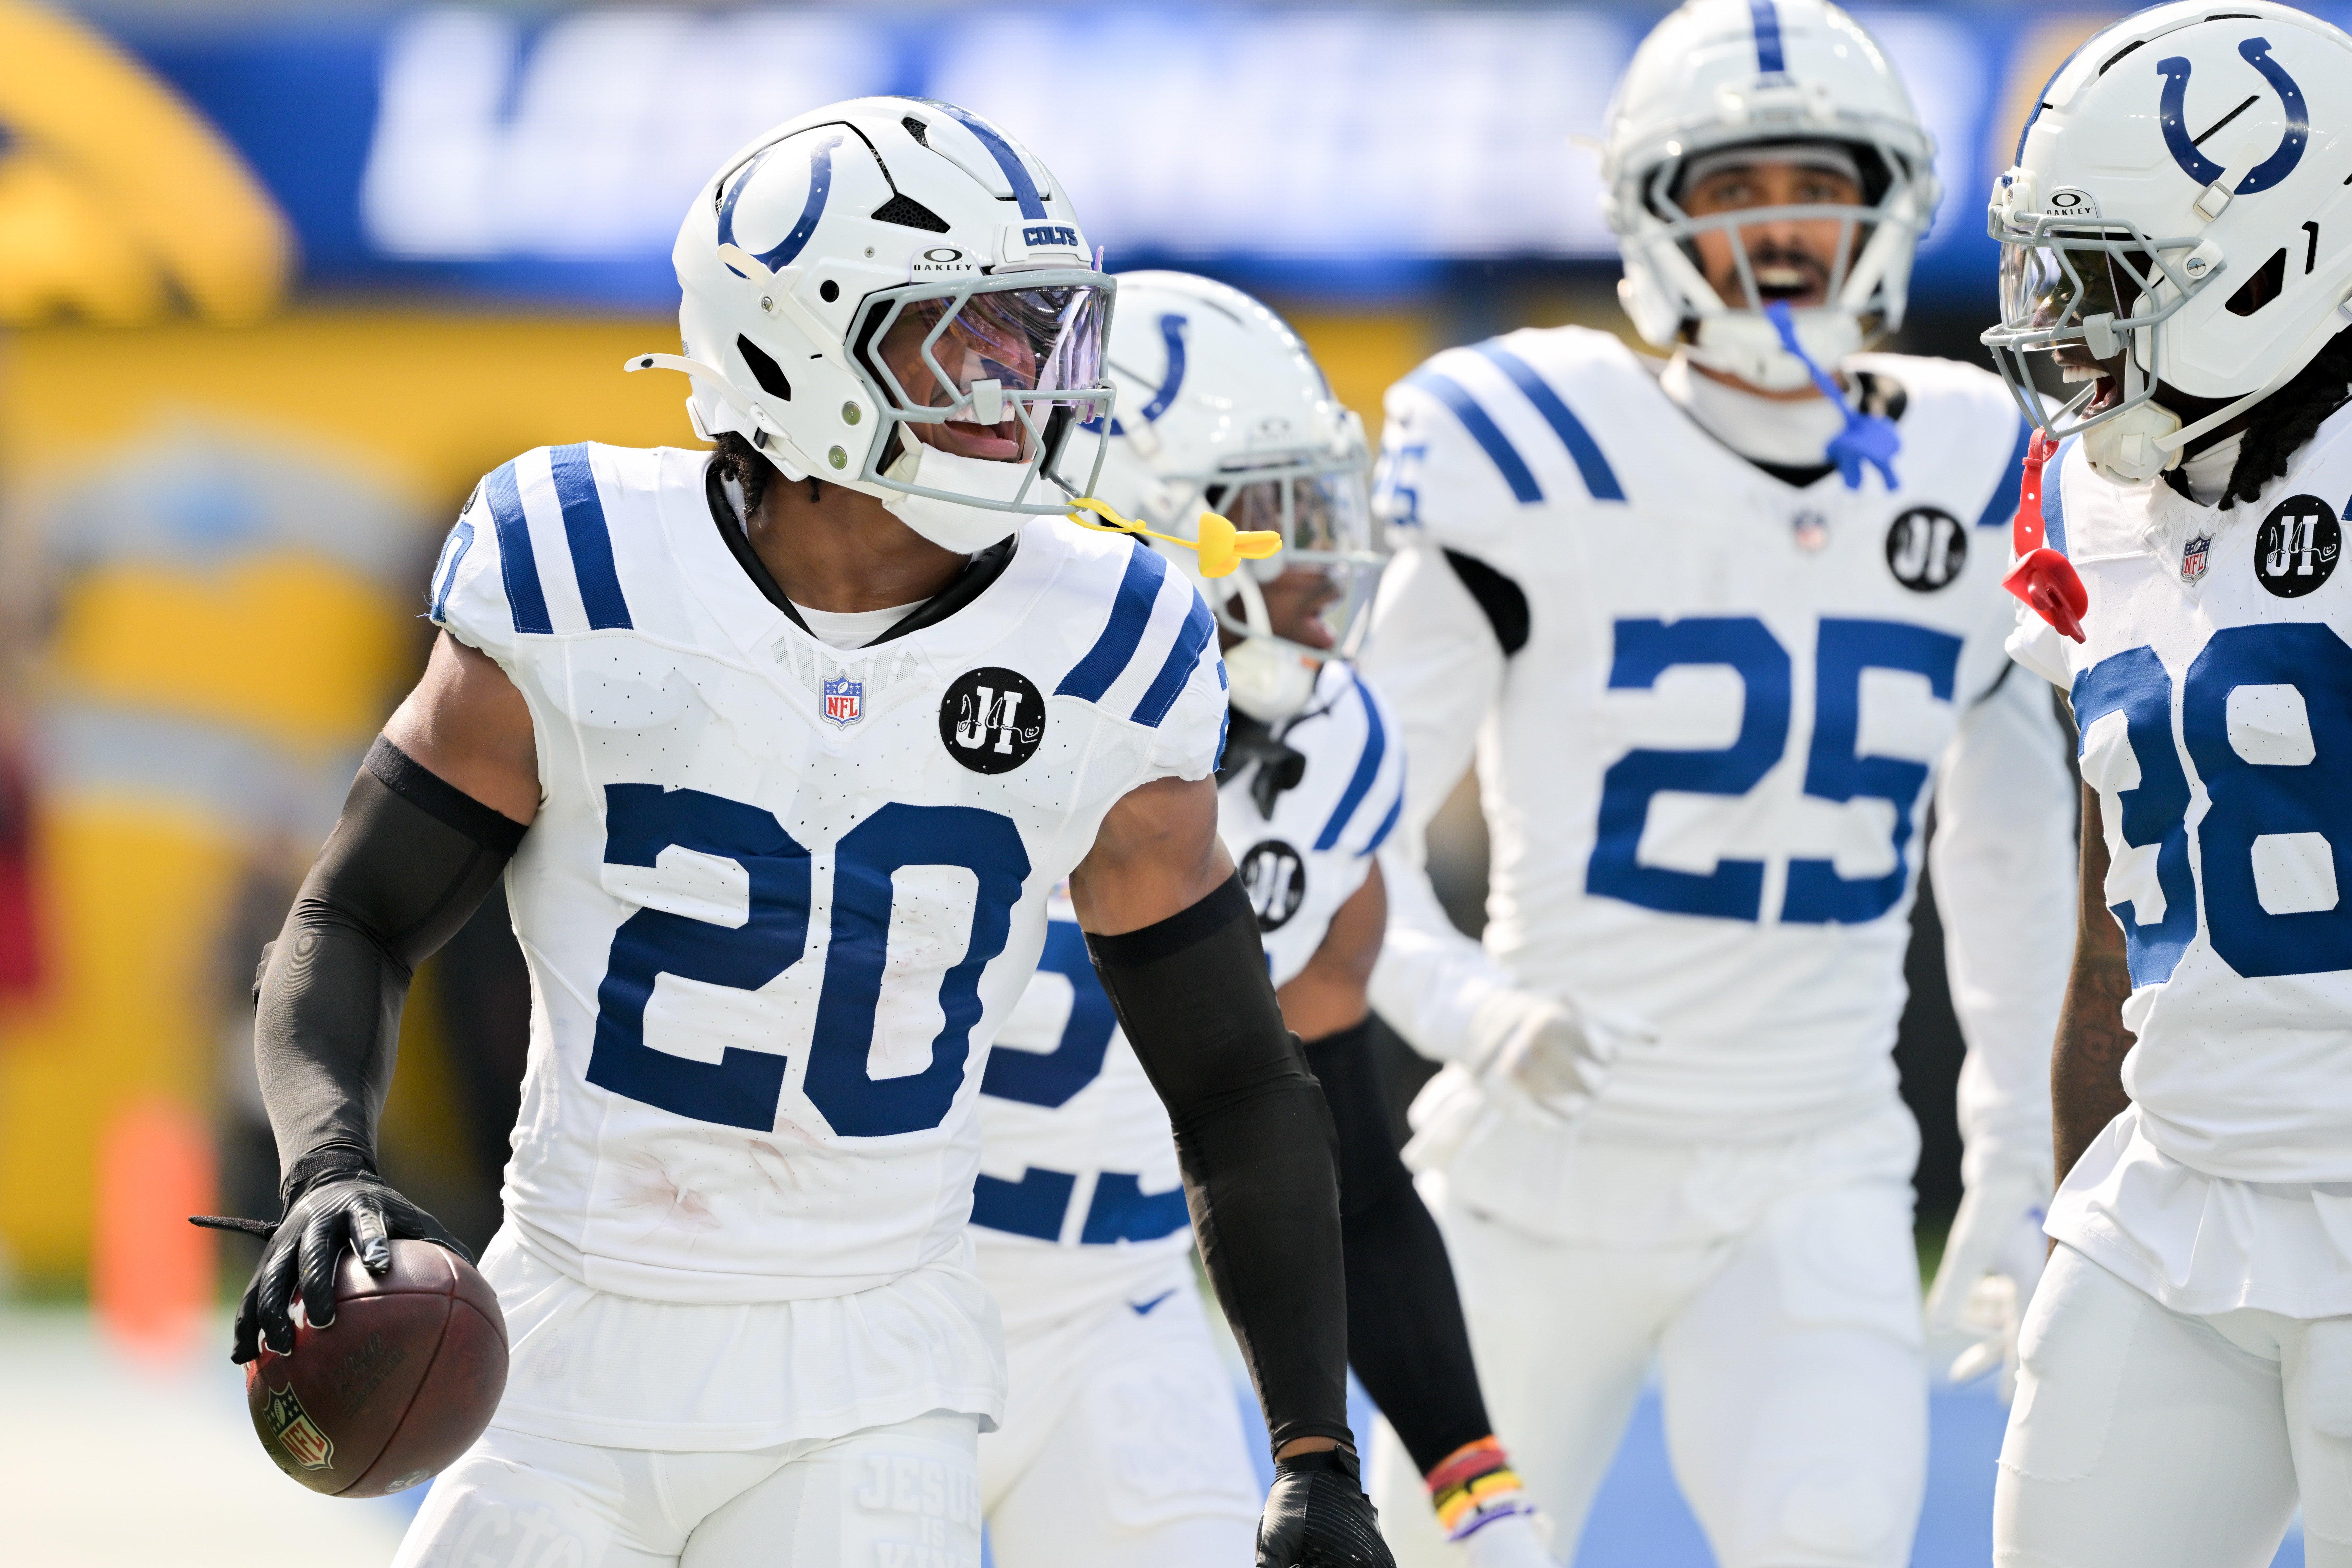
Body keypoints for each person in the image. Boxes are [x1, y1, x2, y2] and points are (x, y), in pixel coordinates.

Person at [201, 99, 1391, 1568]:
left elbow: (1234, 1080)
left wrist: (1313, 1451)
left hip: (870, 1381)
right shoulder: (580, 565)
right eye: (964, 333)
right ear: (791, 344)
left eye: (1034, 331)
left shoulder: (1112, 631)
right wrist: (326, 1165)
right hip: (571, 1341)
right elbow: (354, 916)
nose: (1022, 381)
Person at [1355, 3, 2078, 1564]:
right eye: (1732, 188)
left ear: (1887, 203)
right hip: (1536, 1171)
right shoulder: (1532, 442)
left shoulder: (1970, 449)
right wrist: (1466, 1009)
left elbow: (2013, 834)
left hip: (1812, 1164)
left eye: (1814, 184)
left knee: (1831, 1538)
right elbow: (1340, 828)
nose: (1778, 228)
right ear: (1647, 215)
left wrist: (2014, 1145)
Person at [972, 271, 1553, 1568]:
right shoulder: (953, 704)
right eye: (1266, 518)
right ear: (1120, 519)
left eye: (1320, 508)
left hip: (1121, 1305)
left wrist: (1477, 1483)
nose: (1320, 564)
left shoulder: (1333, 751)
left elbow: (1340, 1169)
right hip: (880, 1285)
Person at [1985, 6, 2352, 1563]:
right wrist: (2060, 1187)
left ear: (2267, 266)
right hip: (2173, 1183)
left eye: (2107, 278)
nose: (2063, 326)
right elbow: (2106, 937)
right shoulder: (2091, 497)